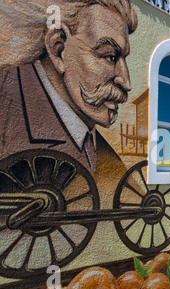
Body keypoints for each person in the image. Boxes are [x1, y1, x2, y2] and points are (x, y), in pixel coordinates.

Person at [0, 0, 138, 205]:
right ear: (58, 49)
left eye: (122, 58)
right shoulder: (9, 116)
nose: (125, 82)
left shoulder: (88, 136)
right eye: (109, 56)